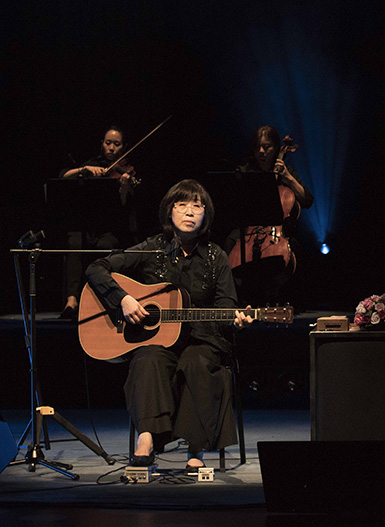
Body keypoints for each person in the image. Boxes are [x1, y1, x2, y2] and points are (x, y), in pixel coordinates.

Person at [85, 179, 253, 473]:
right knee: (147, 359)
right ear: (169, 212)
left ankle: (196, 448)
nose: (190, 212)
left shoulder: (217, 257)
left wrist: (236, 319)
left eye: (197, 206)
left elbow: (227, 305)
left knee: (196, 361)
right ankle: (146, 439)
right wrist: (122, 299)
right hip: (157, 342)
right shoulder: (152, 249)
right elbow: (96, 268)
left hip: (203, 340)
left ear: (206, 216)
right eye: (182, 205)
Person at [225, 125, 314, 305]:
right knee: (229, 242)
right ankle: (235, 298)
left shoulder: (285, 171)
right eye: (258, 146)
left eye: (267, 147)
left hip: (278, 231)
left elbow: (307, 201)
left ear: (275, 148)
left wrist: (288, 177)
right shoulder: (245, 169)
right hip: (248, 228)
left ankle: (289, 299)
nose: (261, 151)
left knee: (295, 247)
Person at [59, 126, 137, 319]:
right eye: (107, 143)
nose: (111, 148)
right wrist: (83, 170)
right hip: (87, 226)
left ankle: (100, 299)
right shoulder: (92, 165)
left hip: (111, 229)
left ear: (124, 147)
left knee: (105, 245)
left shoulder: (127, 172)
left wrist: (125, 188)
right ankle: (72, 300)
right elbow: (63, 177)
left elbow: (127, 210)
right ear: (101, 144)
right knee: (75, 242)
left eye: (116, 144)